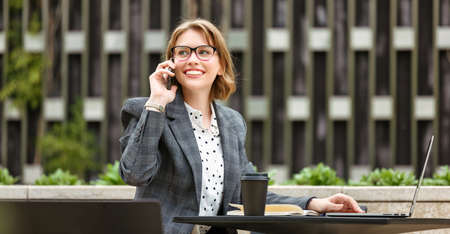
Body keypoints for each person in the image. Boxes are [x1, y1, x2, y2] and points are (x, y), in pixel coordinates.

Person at [119, 18, 364, 234]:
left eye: (203, 51)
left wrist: (313, 203)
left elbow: (247, 196)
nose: (192, 59)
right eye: (183, 52)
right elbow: (135, 174)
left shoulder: (231, 123)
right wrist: (157, 103)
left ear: (221, 65)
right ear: (172, 63)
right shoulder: (146, 110)